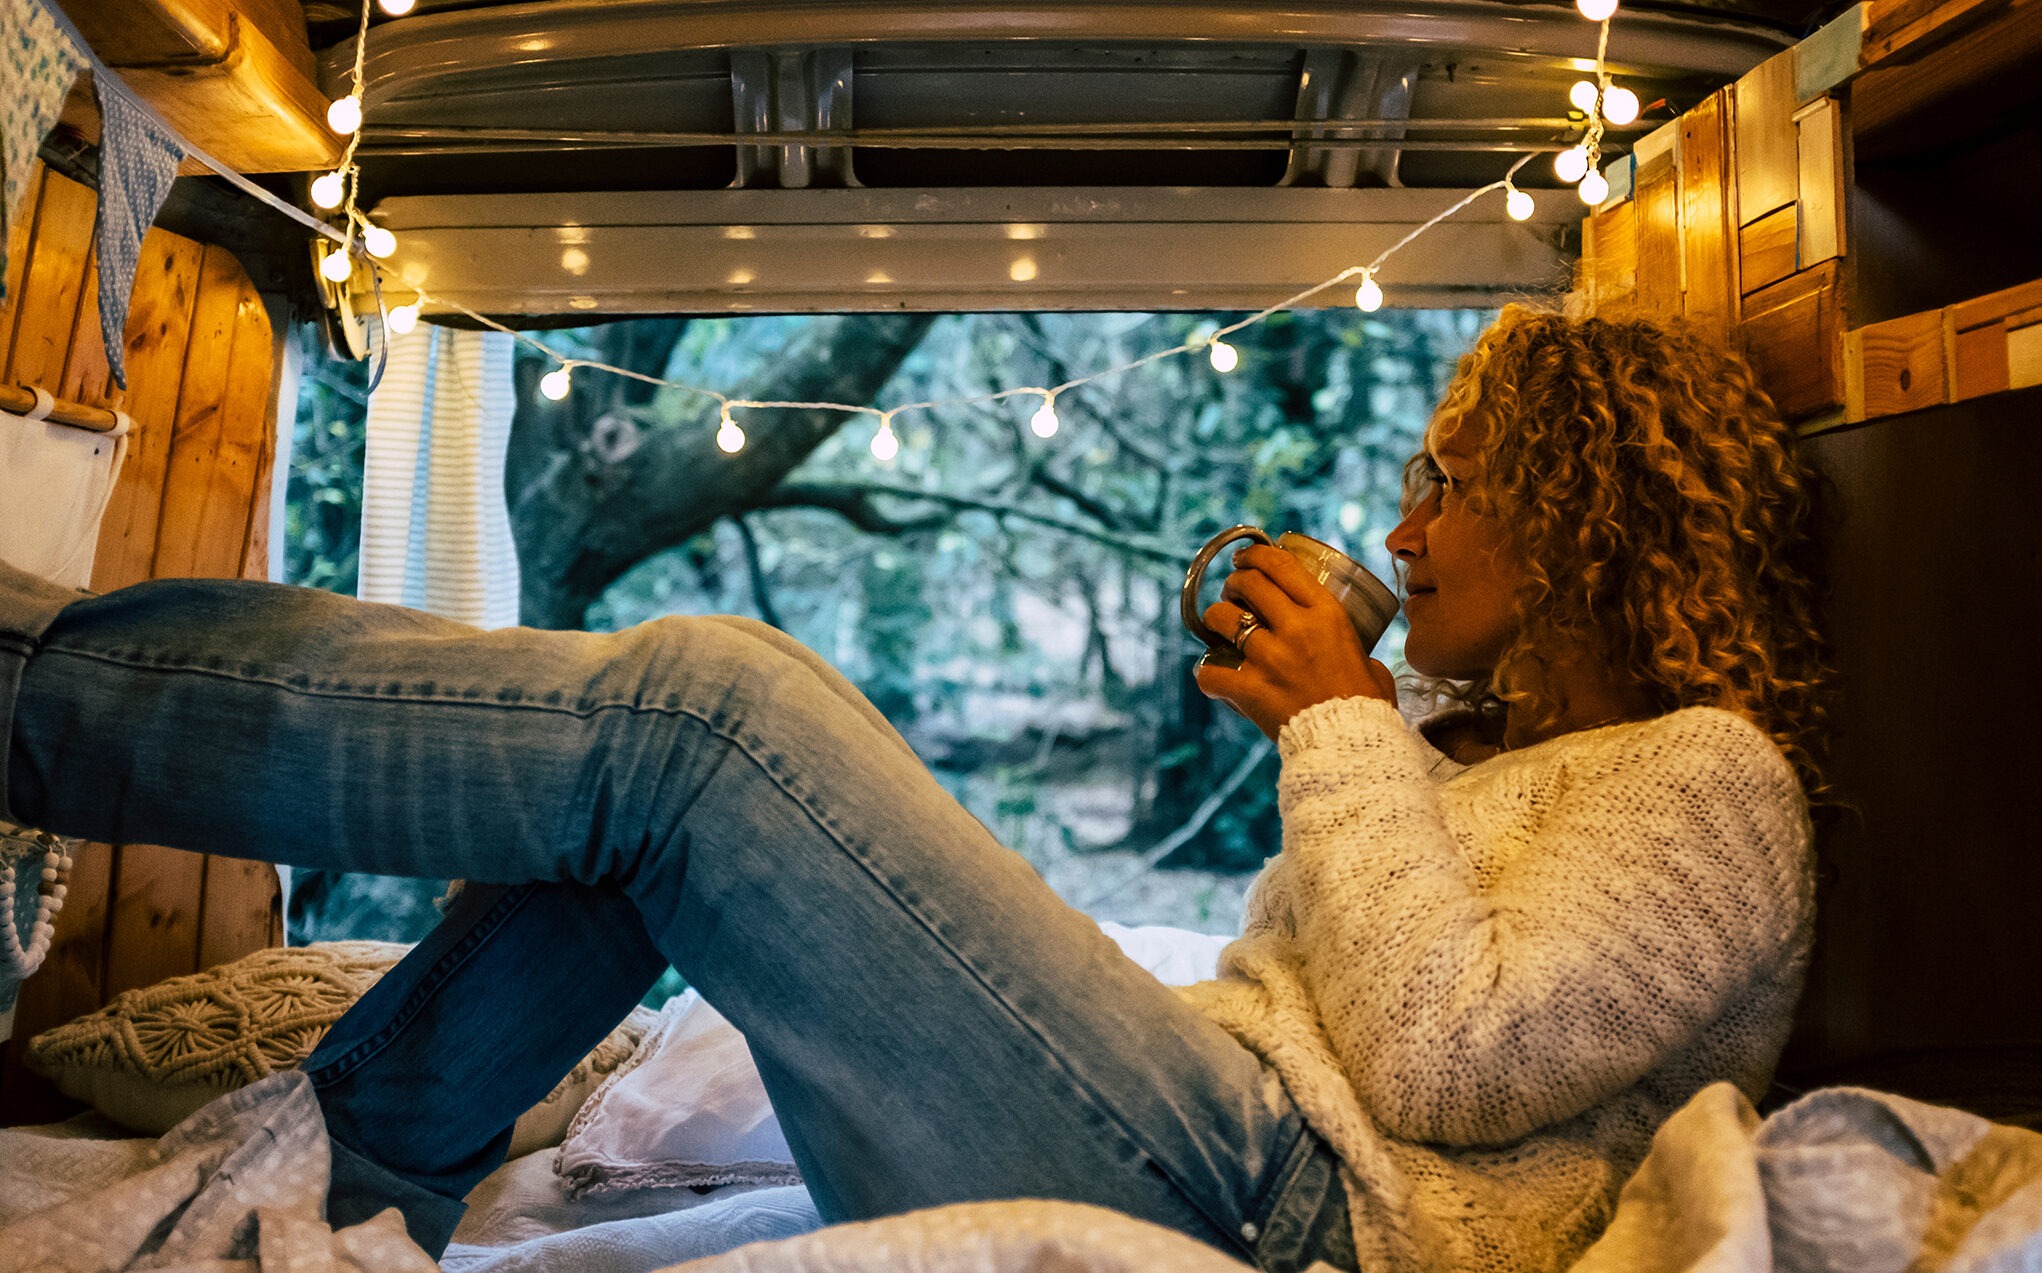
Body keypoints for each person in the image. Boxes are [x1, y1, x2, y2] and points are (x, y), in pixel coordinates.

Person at [0, 304, 1830, 1273]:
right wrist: (1368, 731)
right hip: (1211, 1127)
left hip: (1284, 1216)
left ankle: (28, 693)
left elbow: (1449, 1057)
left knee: (707, 721)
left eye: (1452, 473)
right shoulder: (1480, 753)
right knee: (683, 779)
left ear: (1582, 511)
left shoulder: (1714, 783)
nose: (1405, 519)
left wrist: (1336, 726)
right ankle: (354, 1167)